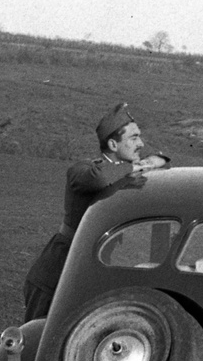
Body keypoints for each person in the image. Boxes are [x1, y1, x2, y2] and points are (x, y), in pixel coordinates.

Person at [21, 102, 170, 322]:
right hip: (55, 276)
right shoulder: (82, 170)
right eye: (133, 138)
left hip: (89, 271)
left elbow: (164, 162)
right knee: (38, 341)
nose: (141, 143)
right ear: (112, 143)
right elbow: (100, 178)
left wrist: (150, 162)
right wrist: (139, 165)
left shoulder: (123, 171)